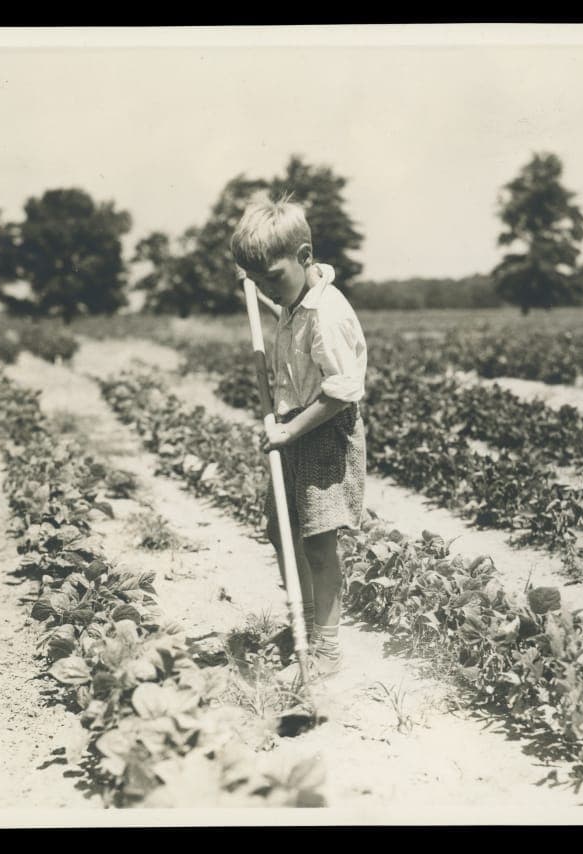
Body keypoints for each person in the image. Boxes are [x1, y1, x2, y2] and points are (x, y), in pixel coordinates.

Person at [230, 196, 368, 681]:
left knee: (317, 542)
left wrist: (288, 429)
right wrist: (263, 294)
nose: (267, 286)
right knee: (280, 529)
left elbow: (343, 392)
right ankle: (302, 626)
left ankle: (326, 646)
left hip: (323, 435)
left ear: (305, 257)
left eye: (271, 275)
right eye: (257, 278)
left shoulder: (327, 315)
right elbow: (287, 303)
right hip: (294, 431)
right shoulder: (294, 300)